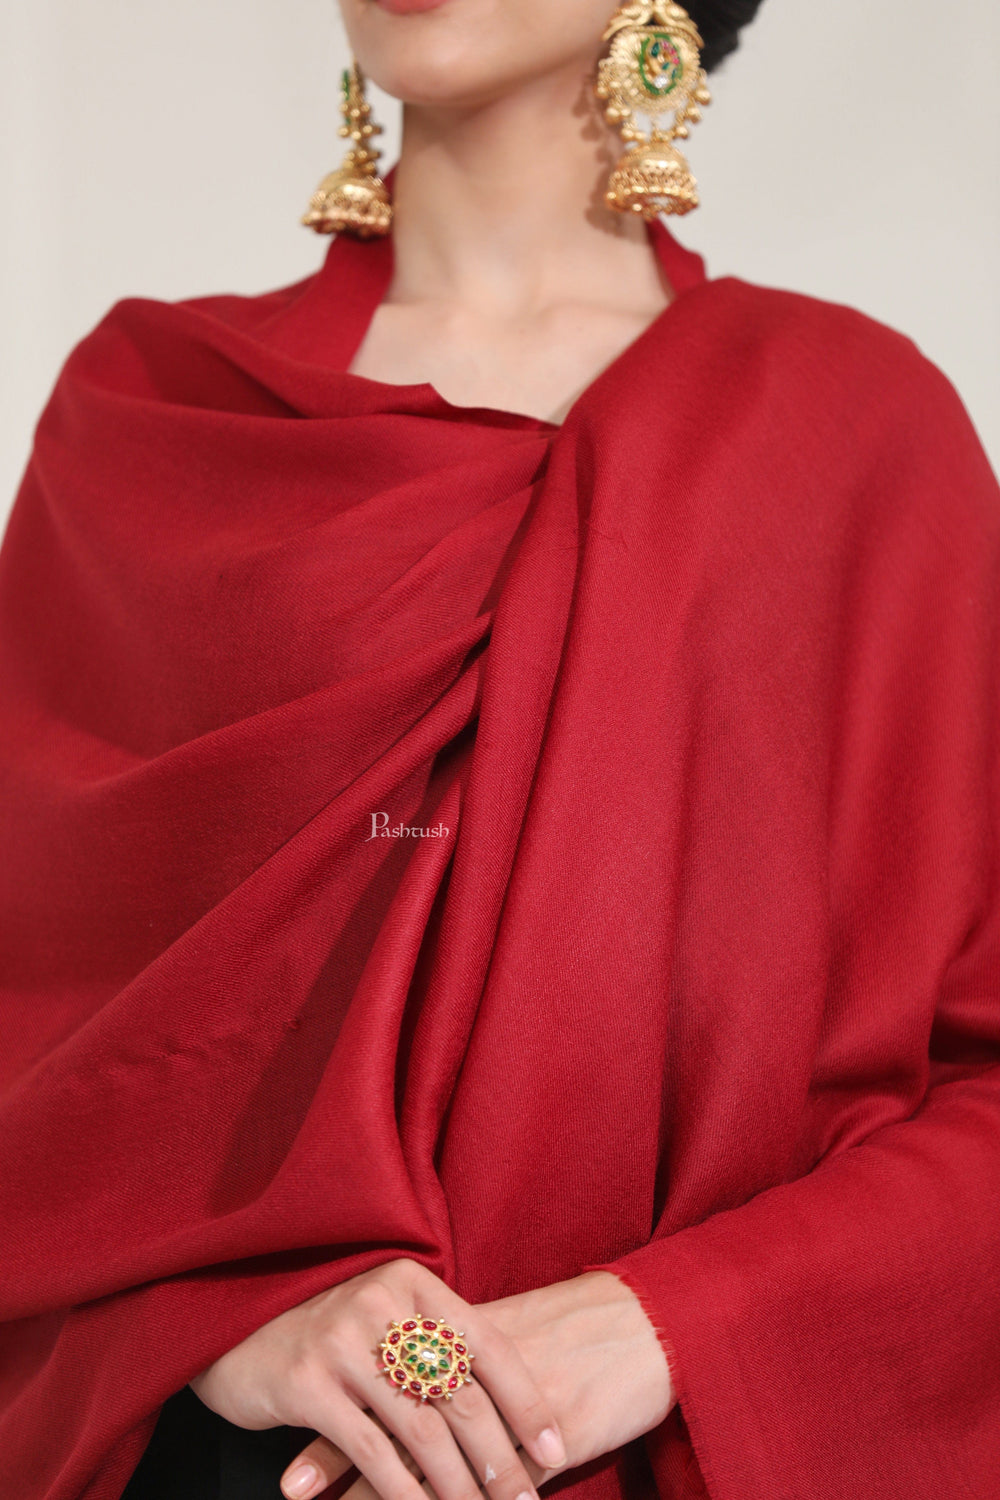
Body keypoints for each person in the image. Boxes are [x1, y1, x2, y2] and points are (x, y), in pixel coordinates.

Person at [1, 3, 998, 1500]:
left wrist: (669, 1323)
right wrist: (210, 1317)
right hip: (224, 1464)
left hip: (666, 1451)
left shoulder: (854, 440)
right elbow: (28, 1030)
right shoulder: (155, 417)